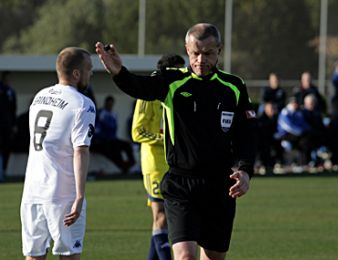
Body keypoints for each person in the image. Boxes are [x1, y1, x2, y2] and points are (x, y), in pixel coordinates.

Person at [96, 23, 257, 260]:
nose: (201, 60)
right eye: (195, 53)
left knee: (213, 256)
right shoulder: (171, 81)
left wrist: (244, 171)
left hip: (220, 185)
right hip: (181, 184)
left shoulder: (234, 86)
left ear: (219, 50)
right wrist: (119, 72)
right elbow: (140, 86)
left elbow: (246, 135)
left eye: (208, 53)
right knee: (184, 256)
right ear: (187, 49)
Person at [20, 47, 96, 259]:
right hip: (63, 195)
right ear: (76, 74)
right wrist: (80, 196)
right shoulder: (83, 104)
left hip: (32, 193)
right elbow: (81, 150)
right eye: (89, 69)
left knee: (34, 256)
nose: (92, 74)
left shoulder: (39, 97)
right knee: (69, 255)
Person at [132, 54, 185, 260]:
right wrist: (165, 139)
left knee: (166, 219)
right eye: (179, 71)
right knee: (161, 216)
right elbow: (137, 131)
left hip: (172, 163)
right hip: (154, 164)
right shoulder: (149, 94)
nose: (183, 74)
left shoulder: (177, 92)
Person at [92, 95, 135, 173]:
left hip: (112, 140)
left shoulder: (114, 115)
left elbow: (114, 130)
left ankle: (132, 163)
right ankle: (122, 166)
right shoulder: (100, 114)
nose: (110, 106)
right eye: (108, 104)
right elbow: (97, 130)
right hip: (101, 141)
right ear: (105, 104)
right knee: (114, 149)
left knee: (126, 145)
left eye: (111, 104)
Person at [0, 71, 17, 182]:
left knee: (6, 149)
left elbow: (13, 109)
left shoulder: (11, 92)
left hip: (7, 126)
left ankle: (3, 172)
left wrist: (13, 124)